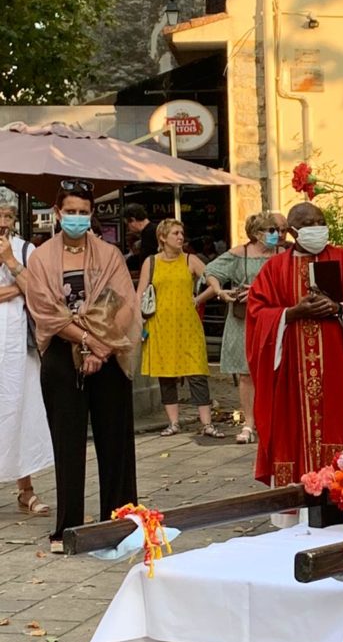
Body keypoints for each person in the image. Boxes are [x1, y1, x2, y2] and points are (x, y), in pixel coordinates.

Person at [24, 180, 140, 552]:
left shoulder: (109, 254)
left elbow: (123, 303)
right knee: (68, 443)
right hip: (62, 354)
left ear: (91, 215)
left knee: (115, 441)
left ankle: (120, 521)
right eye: (70, 211)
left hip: (109, 352)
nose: (77, 217)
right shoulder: (41, 258)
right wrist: (87, 340)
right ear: (58, 214)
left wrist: (100, 349)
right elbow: (46, 312)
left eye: (83, 212)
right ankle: (68, 528)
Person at [246, 201, 343, 487]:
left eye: (321, 222)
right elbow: (257, 314)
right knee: (292, 432)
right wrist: (290, 313)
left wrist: (340, 309)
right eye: (308, 224)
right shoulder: (274, 269)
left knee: (341, 440)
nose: (317, 228)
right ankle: (295, 502)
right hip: (292, 376)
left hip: (337, 371)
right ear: (292, 231)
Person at [204, 212, 288, 444]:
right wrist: (220, 291)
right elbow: (211, 271)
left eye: (280, 230)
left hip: (274, 317)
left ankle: (273, 421)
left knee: (276, 371)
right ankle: (249, 423)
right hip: (244, 320)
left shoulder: (284, 254)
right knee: (246, 372)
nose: (278, 234)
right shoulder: (240, 254)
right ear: (257, 233)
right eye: (272, 230)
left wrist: (260, 291)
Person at [137, 217, 224, 438]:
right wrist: (138, 321)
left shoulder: (189, 260)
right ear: (162, 237)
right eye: (175, 233)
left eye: (181, 233)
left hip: (187, 325)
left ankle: (206, 424)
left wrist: (199, 298)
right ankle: (173, 423)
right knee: (165, 374)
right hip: (160, 325)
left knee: (197, 372)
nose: (180, 237)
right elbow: (140, 294)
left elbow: (213, 278)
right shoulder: (151, 262)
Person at [0, 196, 54, 517]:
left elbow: (38, 289)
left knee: (22, 411)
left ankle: (26, 490)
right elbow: (26, 287)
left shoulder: (24, 250)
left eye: (8, 216)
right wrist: (18, 288)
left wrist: (10, 262)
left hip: (20, 348)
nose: (3, 222)